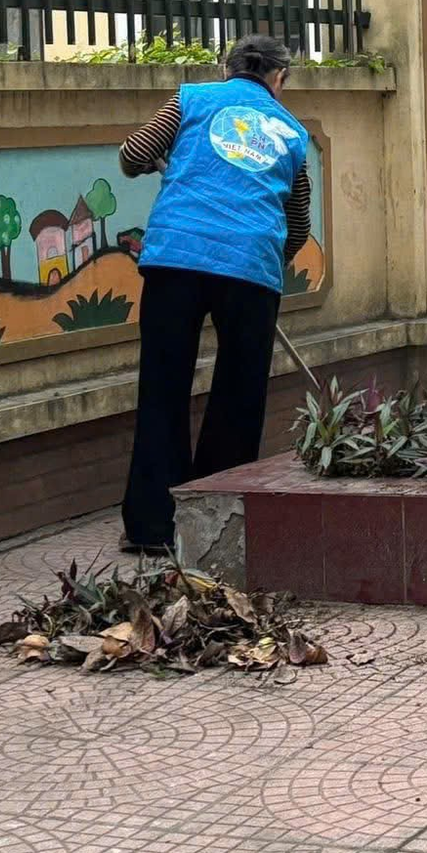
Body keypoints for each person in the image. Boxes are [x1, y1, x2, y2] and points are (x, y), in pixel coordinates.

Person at [118, 34, 311, 556]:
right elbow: (298, 225)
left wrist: (153, 165)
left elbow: (134, 154)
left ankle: (152, 527)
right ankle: (215, 524)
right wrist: (267, 258)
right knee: (238, 395)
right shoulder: (293, 133)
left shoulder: (191, 99)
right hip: (250, 267)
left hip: (174, 257)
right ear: (279, 78)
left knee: (163, 386)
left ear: (226, 69)